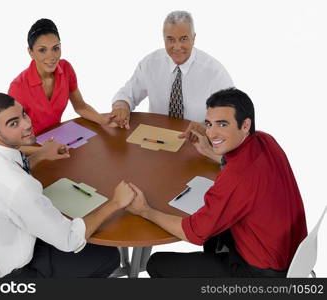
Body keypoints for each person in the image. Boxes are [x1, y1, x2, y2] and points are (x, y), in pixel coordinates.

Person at [125, 88, 307, 277]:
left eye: (222, 124)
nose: (211, 134)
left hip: (260, 272)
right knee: (213, 236)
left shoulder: (236, 178)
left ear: (245, 125)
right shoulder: (265, 140)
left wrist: (144, 210)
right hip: (289, 254)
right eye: (209, 124)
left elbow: (194, 233)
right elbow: (243, 172)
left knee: (156, 263)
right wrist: (209, 152)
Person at [0, 93, 135, 278]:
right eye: (13, 123)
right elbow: (69, 239)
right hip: (18, 271)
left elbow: (9, 174)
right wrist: (115, 203)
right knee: (107, 256)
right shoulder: (20, 188)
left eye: (24, 114)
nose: (27, 124)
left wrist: (41, 154)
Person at [111, 10, 233, 142]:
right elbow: (126, 94)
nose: (177, 46)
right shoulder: (150, 64)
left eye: (183, 39)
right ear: (163, 39)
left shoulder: (215, 72)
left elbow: (232, 116)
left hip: (197, 143)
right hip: (157, 139)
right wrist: (121, 106)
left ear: (194, 38)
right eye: (170, 39)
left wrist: (206, 128)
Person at [8, 19, 116, 144]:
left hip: (58, 139)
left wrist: (102, 120)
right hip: (31, 147)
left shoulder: (66, 69)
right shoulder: (17, 87)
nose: (52, 56)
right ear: (30, 52)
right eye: (42, 50)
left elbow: (80, 106)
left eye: (56, 48)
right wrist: (42, 151)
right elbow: (13, 141)